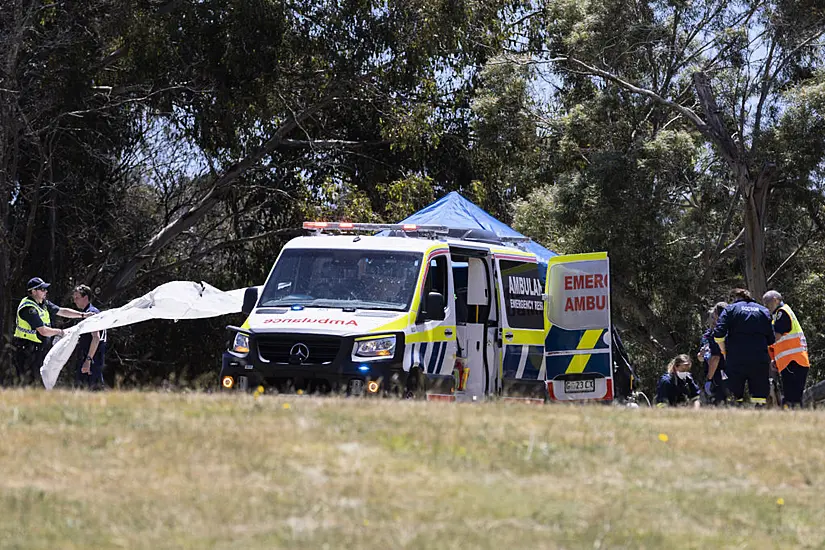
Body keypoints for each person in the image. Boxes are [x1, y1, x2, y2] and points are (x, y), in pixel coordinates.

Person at [12, 277, 94, 386]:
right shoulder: (28, 308)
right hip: (26, 351)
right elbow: (43, 331)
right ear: (33, 291)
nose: (45, 291)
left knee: (38, 383)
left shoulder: (43, 303)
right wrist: (60, 332)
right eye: (42, 289)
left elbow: (61, 311)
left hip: (37, 350)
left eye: (45, 289)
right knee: (28, 384)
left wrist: (83, 315)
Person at [713, 288, 774, 407]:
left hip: (736, 358)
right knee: (759, 396)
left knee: (734, 396)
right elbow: (771, 339)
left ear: (734, 298)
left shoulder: (730, 309)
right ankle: (759, 418)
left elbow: (718, 334)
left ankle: (735, 419)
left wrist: (723, 351)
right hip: (759, 358)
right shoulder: (763, 311)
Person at [763, 290, 810, 408]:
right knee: (793, 397)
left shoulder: (782, 313)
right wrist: (775, 359)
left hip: (793, 361)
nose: (766, 306)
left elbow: (776, 337)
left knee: (791, 397)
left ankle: (793, 419)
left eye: (767, 303)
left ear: (775, 299)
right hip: (792, 361)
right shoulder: (780, 314)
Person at [72, 284, 106, 390]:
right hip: (90, 358)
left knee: (92, 391)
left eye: (77, 298)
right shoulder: (85, 313)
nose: (75, 301)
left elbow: (96, 338)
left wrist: (88, 360)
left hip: (92, 360)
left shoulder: (92, 314)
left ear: (85, 297)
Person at [698, 302, 728, 405]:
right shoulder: (708, 334)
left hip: (720, 374)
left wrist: (709, 379)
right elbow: (704, 356)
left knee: (719, 404)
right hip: (710, 371)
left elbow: (715, 358)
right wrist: (700, 356)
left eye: (713, 316)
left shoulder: (720, 334)